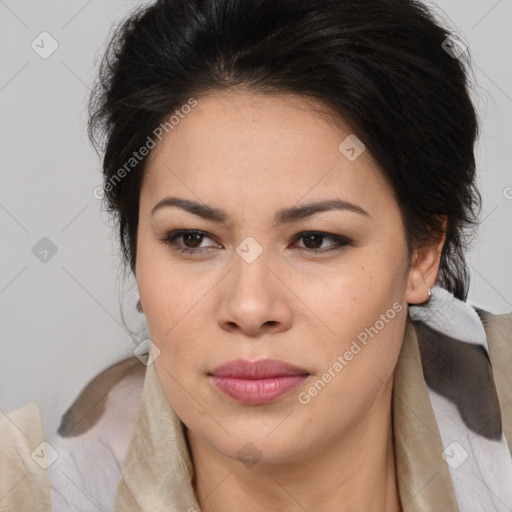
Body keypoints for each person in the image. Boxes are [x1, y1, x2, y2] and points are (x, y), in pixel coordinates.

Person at [1, 0, 511, 511]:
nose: (249, 307)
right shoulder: (27, 488)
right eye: (193, 239)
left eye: (315, 240)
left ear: (423, 254)